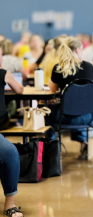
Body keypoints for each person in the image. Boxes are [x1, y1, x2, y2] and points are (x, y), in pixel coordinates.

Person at [48, 36, 93, 159]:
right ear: (76, 50)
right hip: (88, 117)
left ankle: (54, 148)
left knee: (47, 115)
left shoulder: (59, 68)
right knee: (79, 106)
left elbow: (52, 89)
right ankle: (83, 142)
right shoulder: (89, 67)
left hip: (63, 118)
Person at [0, 47, 24, 216]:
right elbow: (20, 90)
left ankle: (10, 203)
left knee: (9, 152)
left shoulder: (2, 73)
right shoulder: (3, 73)